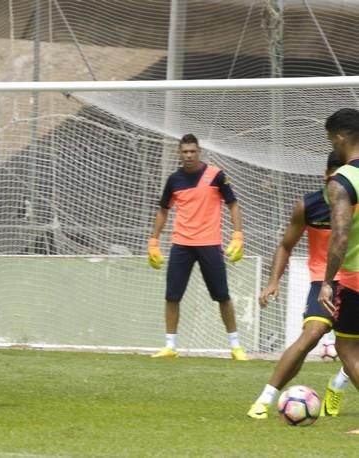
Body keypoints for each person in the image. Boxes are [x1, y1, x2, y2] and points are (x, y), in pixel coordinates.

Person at [247, 151, 349, 420]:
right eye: (335, 177)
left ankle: (337, 385)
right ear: (326, 175)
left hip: (354, 279)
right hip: (323, 281)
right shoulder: (308, 205)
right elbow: (285, 246)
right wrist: (273, 281)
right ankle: (265, 399)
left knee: (350, 350)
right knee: (311, 334)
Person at [147, 133, 248, 360]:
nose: (189, 155)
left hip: (210, 245)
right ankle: (170, 346)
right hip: (181, 245)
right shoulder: (174, 180)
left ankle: (236, 346)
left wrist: (238, 235)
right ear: (179, 153)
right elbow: (163, 210)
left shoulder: (216, 176)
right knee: (172, 296)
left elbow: (233, 204)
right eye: (185, 152)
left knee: (222, 296)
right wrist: (153, 240)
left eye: (193, 151)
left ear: (199, 151)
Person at [318, 108, 359, 435]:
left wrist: (327, 281)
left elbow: (341, 235)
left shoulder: (342, 180)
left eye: (332, 139)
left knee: (346, 348)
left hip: (356, 279)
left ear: (341, 137)